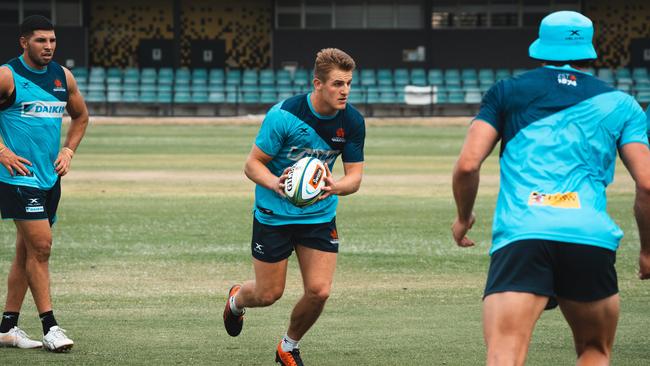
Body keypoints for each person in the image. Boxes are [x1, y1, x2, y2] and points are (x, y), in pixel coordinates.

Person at [451, 11, 650, 366]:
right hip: (589, 237)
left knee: (505, 353)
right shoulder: (623, 105)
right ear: (590, 50)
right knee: (594, 349)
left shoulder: (506, 92)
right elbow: (647, 184)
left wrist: (463, 217)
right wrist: (648, 250)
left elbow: (467, 164)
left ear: (541, 46)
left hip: (523, 235)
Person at [223, 48, 365, 366]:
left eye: (349, 84)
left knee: (320, 291)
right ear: (318, 84)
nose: (345, 91)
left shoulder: (352, 121)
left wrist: (332, 186)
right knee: (267, 294)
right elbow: (252, 165)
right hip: (275, 214)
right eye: (337, 84)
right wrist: (277, 184)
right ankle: (236, 300)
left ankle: (288, 346)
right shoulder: (284, 115)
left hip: (318, 214)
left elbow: (354, 178)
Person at [0, 15, 89, 352]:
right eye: (40, 40)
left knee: (26, 251)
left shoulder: (62, 77)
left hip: (49, 179)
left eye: (52, 40)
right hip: (16, 178)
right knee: (41, 247)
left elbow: (81, 115)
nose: (48, 46)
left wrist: (68, 149)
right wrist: (1, 151)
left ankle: (7, 327)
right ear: (24, 42)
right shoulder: (7, 76)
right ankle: (50, 326)